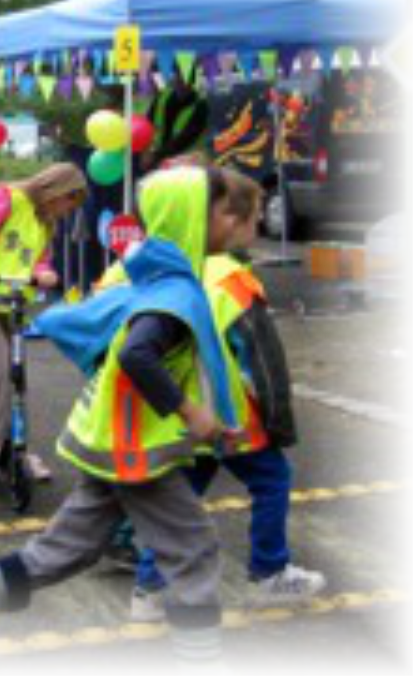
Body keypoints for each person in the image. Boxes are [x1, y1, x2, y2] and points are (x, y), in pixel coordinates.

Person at [0, 166, 243, 676]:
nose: (234, 221)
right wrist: (192, 413)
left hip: (110, 439)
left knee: (66, 549)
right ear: (192, 219)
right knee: (193, 550)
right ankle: (204, 669)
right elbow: (140, 356)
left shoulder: (157, 278)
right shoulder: (174, 294)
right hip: (135, 450)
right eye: (224, 211)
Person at [129, 170, 325, 622]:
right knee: (271, 479)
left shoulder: (168, 267)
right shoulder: (235, 280)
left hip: (183, 410)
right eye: (254, 220)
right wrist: (279, 420)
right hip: (232, 413)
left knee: (183, 496)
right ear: (228, 221)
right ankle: (270, 571)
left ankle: (150, 586)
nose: (257, 230)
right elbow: (261, 357)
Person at [0, 163, 87, 480]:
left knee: (16, 375)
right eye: (69, 202)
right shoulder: (8, 199)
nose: (67, 211)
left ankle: (19, 446)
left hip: (12, 299)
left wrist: (43, 272)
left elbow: (38, 256)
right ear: (56, 190)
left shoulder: (45, 220)